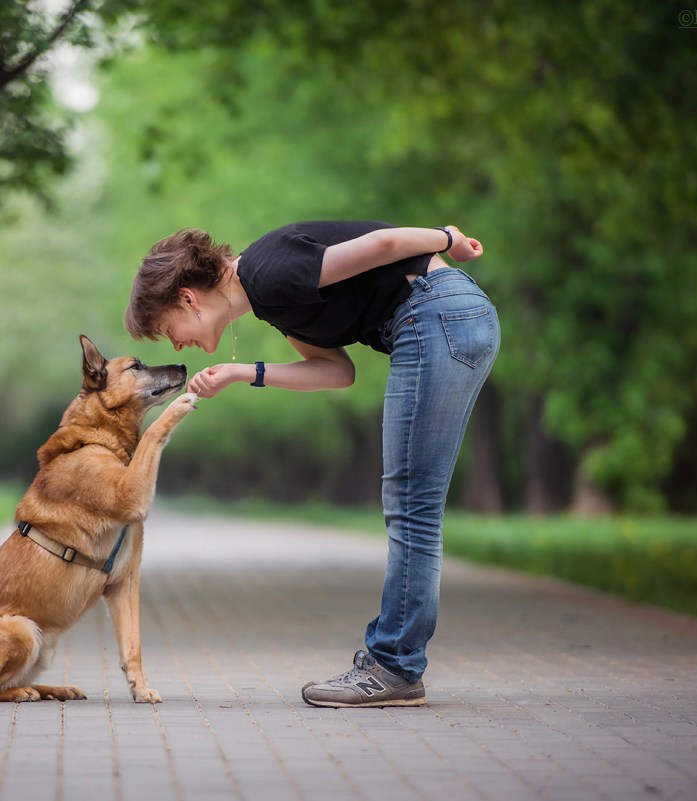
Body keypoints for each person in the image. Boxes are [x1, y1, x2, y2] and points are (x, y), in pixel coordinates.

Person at [124, 221, 500, 708]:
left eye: (167, 331)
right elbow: (337, 371)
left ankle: (396, 666)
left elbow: (382, 245)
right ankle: (396, 663)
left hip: (435, 315)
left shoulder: (266, 272)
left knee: (412, 504)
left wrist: (448, 239)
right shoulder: (271, 301)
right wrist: (244, 373)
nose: (176, 346)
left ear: (188, 299)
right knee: (414, 502)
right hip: (447, 317)